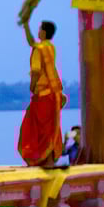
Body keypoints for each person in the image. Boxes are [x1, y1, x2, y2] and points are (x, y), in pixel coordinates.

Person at [18, 19, 67, 168]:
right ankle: (49, 160)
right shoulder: (50, 47)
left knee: (33, 128)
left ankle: (39, 159)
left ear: (44, 32)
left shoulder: (39, 49)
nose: (38, 31)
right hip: (54, 94)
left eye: (39, 29)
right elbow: (32, 43)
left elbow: (36, 71)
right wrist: (26, 26)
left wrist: (32, 86)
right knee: (50, 128)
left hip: (43, 94)